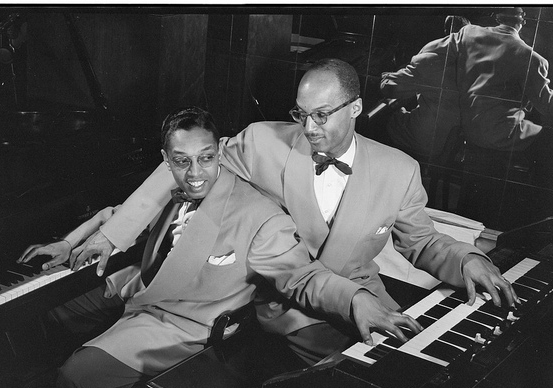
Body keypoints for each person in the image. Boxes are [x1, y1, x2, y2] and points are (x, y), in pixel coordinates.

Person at [67, 58, 518, 368]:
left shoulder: (399, 171)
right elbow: (185, 166)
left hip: (363, 296)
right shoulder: (265, 141)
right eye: (301, 114)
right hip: (285, 304)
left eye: (322, 115)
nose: (309, 128)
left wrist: (468, 259)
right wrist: (114, 233)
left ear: (357, 108)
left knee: (408, 371)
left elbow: (423, 242)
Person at [18, 106, 411, 388]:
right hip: (137, 288)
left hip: (183, 323)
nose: (195, 174)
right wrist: (69, 242)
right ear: (166, 161)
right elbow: (116, 214)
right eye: (181, 161)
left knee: (78, 376)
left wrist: (357, 299)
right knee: (47, 316)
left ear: (220, 154)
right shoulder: (175, 188)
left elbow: (302, 276)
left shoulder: (260, 216)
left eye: (206, 159)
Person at [421, 7, 553, 152]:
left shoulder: (470, 33)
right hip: (499, 136)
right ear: (523, 19)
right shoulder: (532, 58)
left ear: (497, 16)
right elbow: (547, 105)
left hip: (468, 131)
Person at [380, 16, 470, 161]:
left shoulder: (434, 56)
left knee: (384, 121)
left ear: (447, 31)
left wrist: (387, 75)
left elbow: (390, 89)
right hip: (454, 144)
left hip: (428, 140)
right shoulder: (475, 61)